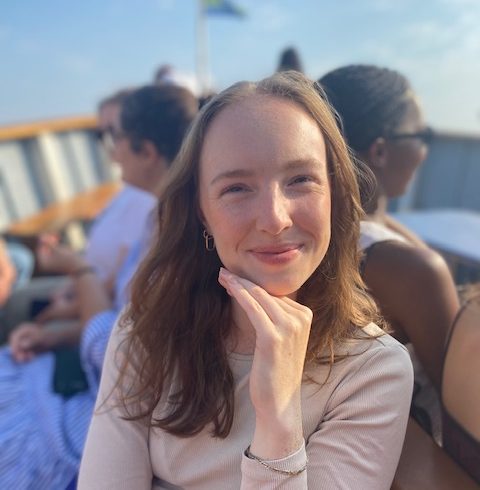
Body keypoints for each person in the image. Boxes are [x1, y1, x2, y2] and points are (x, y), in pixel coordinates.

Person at [79, 72, 413, 489]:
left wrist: (279, 417)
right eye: (237, 188)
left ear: (334, 193)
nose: (275, 219)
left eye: (301, 180)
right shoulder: (146, 329)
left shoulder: (372, 371)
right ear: (202, 213)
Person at [0, 84, 198, 490]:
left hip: (109, 398)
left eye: (114, 138)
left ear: (146, 150)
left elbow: (118, 349)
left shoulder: (178, 238)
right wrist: (53, 335)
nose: (111, 153)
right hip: (96, 370)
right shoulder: (157, 215)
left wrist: (78, 270)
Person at [319, 65, 460, 399]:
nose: (425, 152)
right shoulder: (412, 269)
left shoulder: (315, 237)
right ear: (380, 151)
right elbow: (465, 396)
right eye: (423, 136)